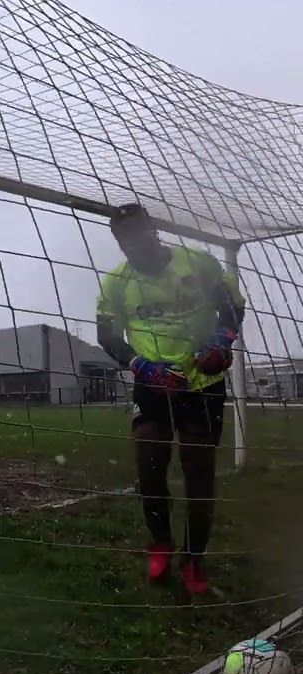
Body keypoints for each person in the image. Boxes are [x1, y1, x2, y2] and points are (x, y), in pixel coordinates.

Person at [95, 202, 244, 595]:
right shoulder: (116, 282)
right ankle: (160, 541)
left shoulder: (199, 264)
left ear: (154, 231)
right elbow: (107, 336)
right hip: (153, 383)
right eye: (124, 240)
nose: (133, 246)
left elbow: (231, 308)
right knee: (149, 468)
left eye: (140, 235)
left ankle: (194, 559)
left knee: (199, 475)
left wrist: (220, 343)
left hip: (202, 383)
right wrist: (142, 366)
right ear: (118, 242)